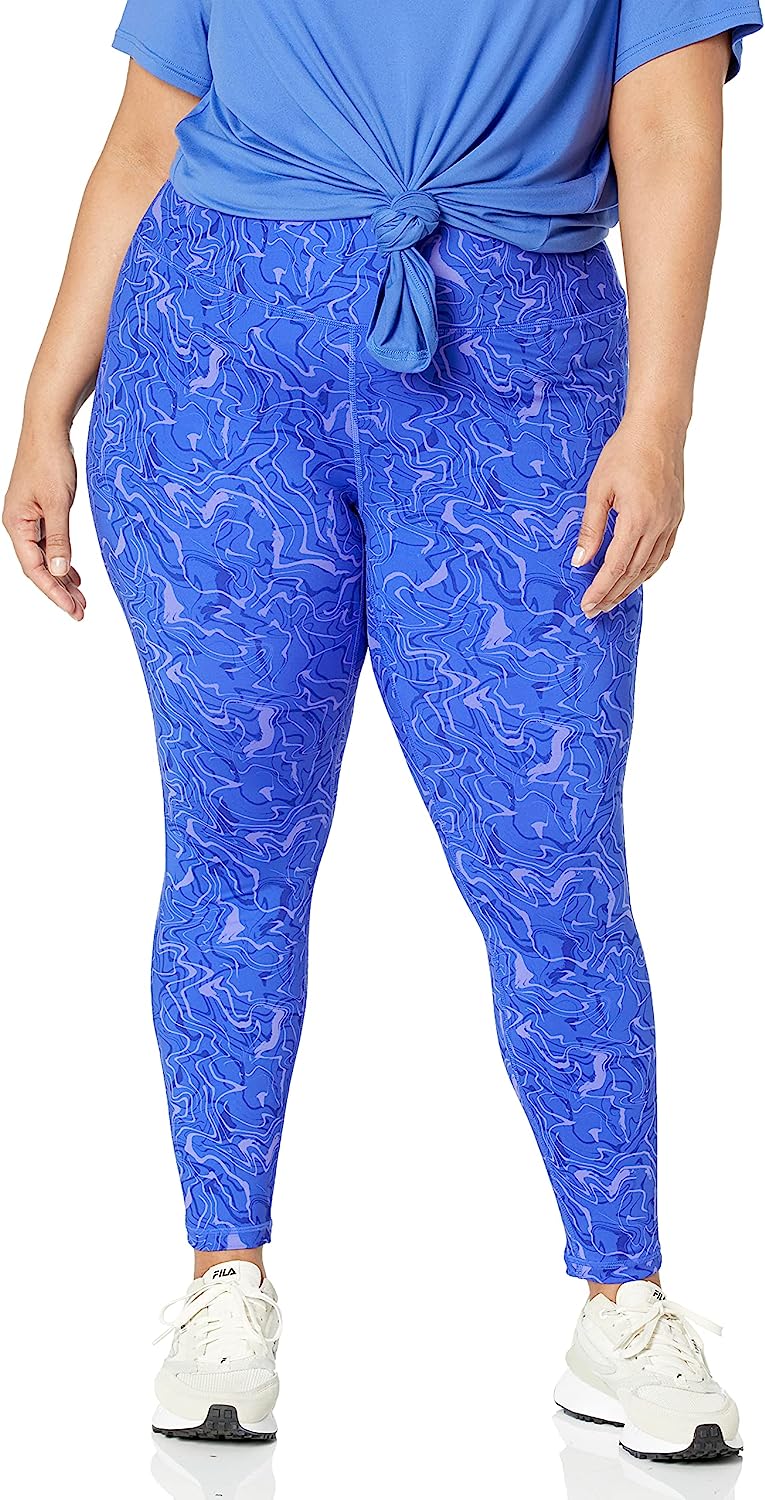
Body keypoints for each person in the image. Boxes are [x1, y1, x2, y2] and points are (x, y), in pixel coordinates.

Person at [3, 0, 761, 1463]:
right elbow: (148, 134)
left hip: (520, 376)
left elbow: (670, 123)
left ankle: (622, 1296)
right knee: (233, 842)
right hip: (214, 365)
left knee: (553, 863)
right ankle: (223, 1283)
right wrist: (46, 403)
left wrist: (661, 415)